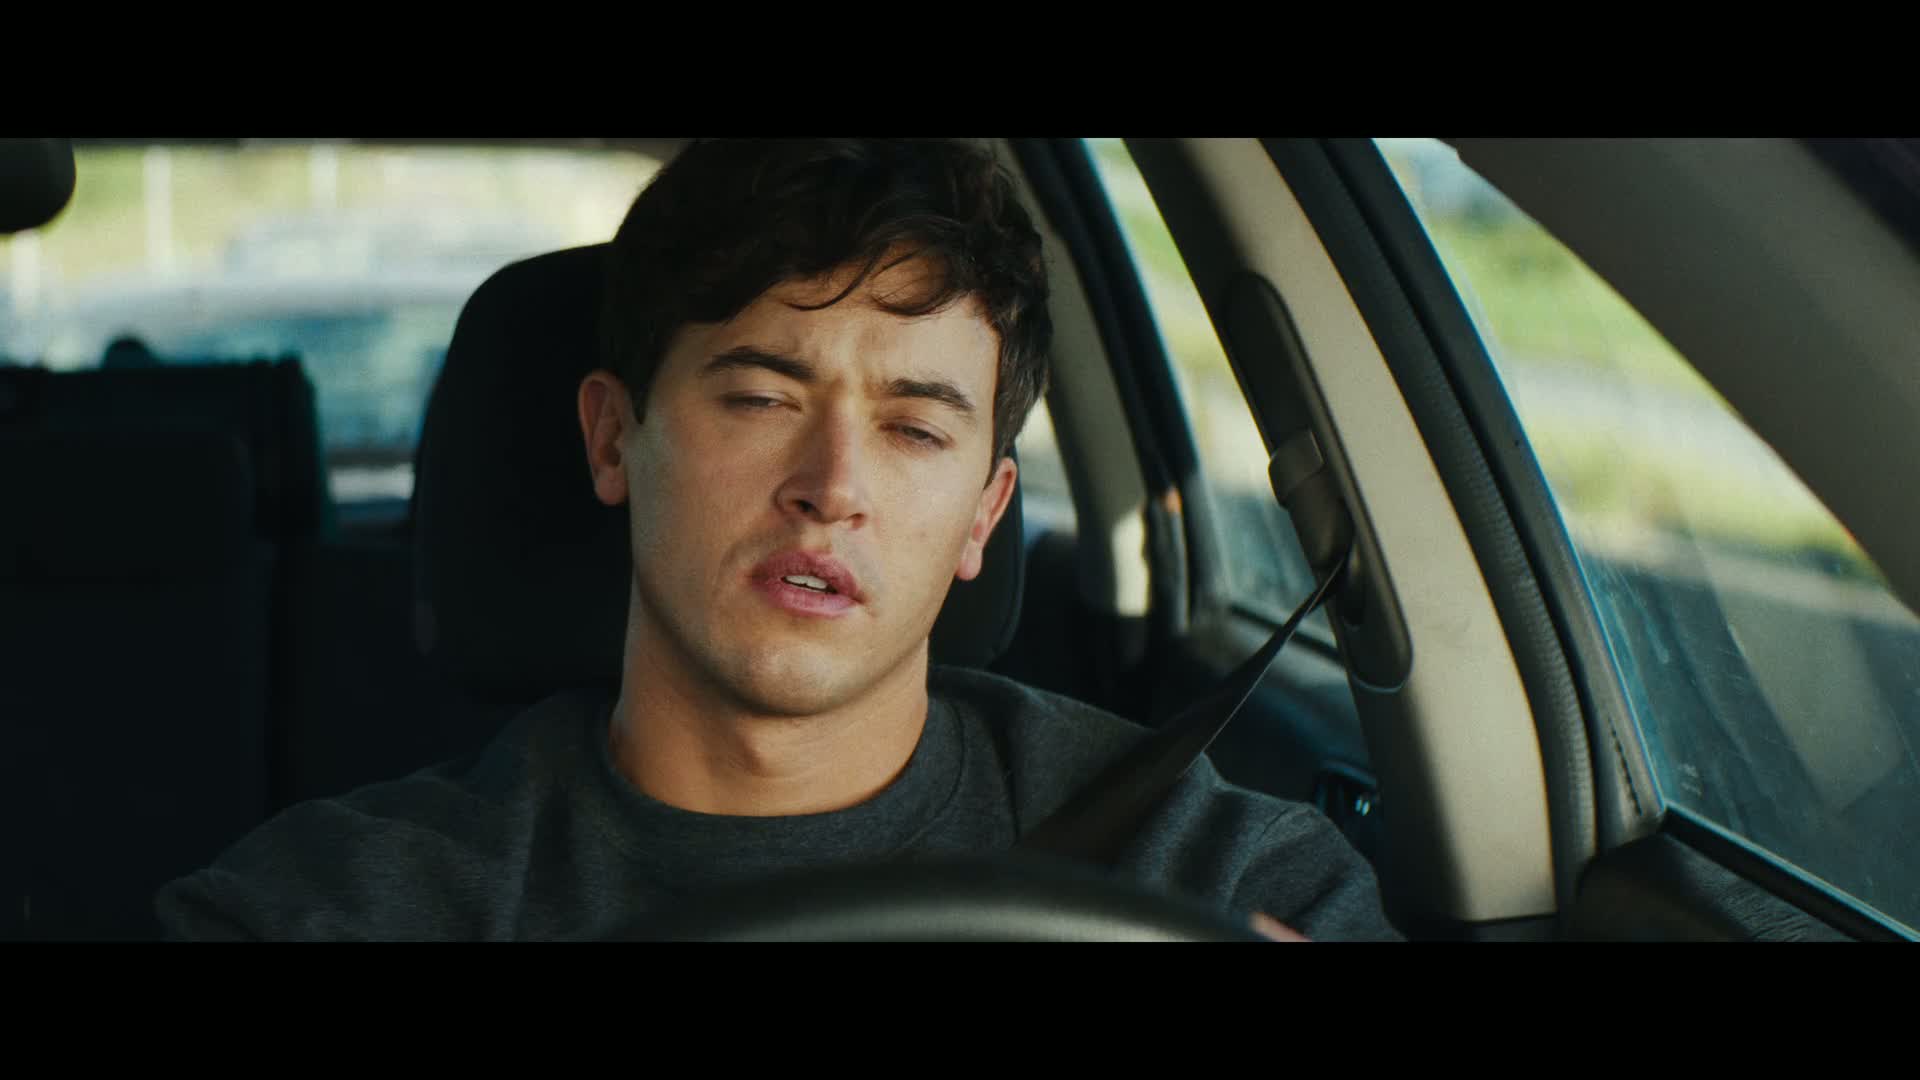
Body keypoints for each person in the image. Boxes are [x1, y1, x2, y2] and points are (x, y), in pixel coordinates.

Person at [155, 139, 1401, 942]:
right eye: (759, 398)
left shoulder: (1209, 878)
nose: (831, 487)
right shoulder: (339, 908)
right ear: (612, 438)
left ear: (983, 515)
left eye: (914, 429)